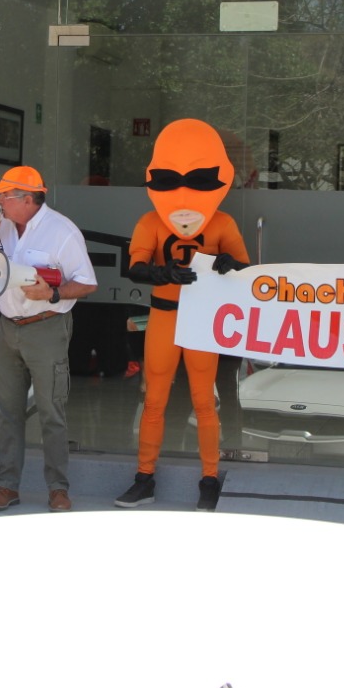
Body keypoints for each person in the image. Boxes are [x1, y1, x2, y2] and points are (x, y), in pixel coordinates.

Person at [114, 119, 250, 512]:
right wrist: (162, 273)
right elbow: (135, 266)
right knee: (154, 400)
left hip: (201, 320)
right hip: (165, 316)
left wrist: (229, 265)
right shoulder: (151, 222)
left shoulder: (222, 223)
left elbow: (246, 271)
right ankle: (144, 477)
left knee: (204, 401)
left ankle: (209, 478)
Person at [0, 166, 97, 513]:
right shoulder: (2, 227)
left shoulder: (62, 231)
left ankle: (58, 488)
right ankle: (7, 485)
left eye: (5, 196)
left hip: (47, 326)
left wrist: (53, 294)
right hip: (8, 327)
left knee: (50, 411)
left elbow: (87, 283)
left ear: (27, 200)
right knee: (8, 411)